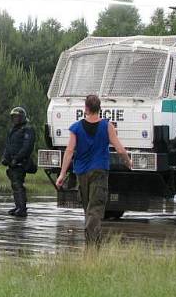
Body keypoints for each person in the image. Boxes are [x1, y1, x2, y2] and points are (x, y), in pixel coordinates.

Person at [56, 94, 131, 247]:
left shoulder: (75, 128)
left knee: (88, 208)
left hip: (81, 172)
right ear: (99, 108)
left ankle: (91, 244)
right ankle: (92, 245)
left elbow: (69, 151)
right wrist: (128, 162)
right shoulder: (107, 126)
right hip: (99, 171)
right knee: (95, 208)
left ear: (86, 108)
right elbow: (119, 148)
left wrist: (62, 174)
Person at [2, 106, 36, 218]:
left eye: (17, 117)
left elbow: (27, 147)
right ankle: (18, 206)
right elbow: (8, 145)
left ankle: (22, 208)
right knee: (14, 184)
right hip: (12, 161)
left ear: (22, 117)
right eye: (14, 117)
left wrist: (17, 159)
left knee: (18, 184)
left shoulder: (27, 129)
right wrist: (5, 158)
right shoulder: (13, 130)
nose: (15, 119)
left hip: (21, 162)